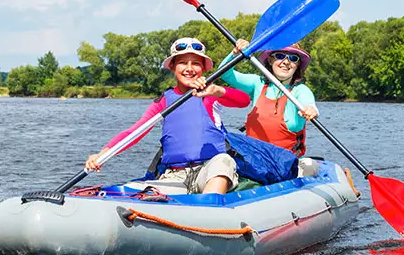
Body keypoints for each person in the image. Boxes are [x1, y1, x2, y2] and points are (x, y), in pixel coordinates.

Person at [85, 37, 250, 194]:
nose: (189, 69)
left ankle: (208, 209)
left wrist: (218, 91)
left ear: (204, 69)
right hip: (175, 176)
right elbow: (135, 132)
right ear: (172, 67)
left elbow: (244, 101)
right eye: (183, 63)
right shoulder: (163, 101)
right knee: (132, 189)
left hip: (209, 169)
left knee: (223, 161)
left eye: (196, 64)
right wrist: (102, 154)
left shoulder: (211, 93)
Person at [219, 40, 319, 166]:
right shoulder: (258, 84)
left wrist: (311, 109)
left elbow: (308, 102)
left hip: (284, 165)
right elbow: (224, 73)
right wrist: (235, 54)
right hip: (254, 160)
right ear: (270, 60)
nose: (286, 62)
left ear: (298, 65)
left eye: (293, 58)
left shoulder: (300, 90)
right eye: (280, 56)